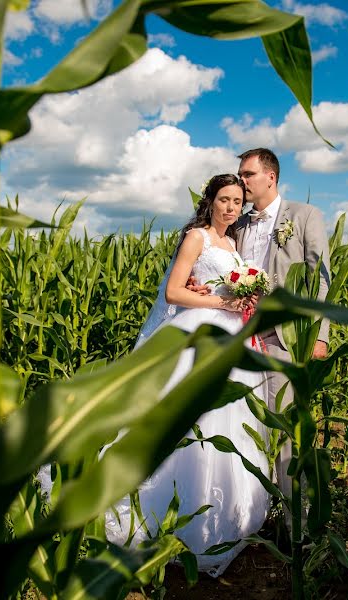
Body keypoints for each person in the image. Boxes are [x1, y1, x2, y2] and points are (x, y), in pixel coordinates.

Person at [103, 174, 272, 577]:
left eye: (237, 201)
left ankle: (225, 516)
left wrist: (245, 298)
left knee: (231, 421)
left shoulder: (233, 243)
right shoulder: (197, 237)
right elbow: (174, 292)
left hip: (232, 337)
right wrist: (222, 300)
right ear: (209, 201)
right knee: (192, 420)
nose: (231, 207)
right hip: (198, 332)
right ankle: (173, 511)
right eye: (223, 199)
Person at [189, 148, 331, 525]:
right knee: (249, 425)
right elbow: (214, 262)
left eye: (248, 174)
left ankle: (294, 519)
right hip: (242, 336)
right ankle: (255, 511)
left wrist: (320, 336)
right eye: (240, 175)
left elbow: (321, 279)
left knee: (286, 426)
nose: (243, 182)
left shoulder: (303, 217)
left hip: (285, 336)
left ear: (271, 176)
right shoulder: (237, 223)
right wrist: (198, 284)